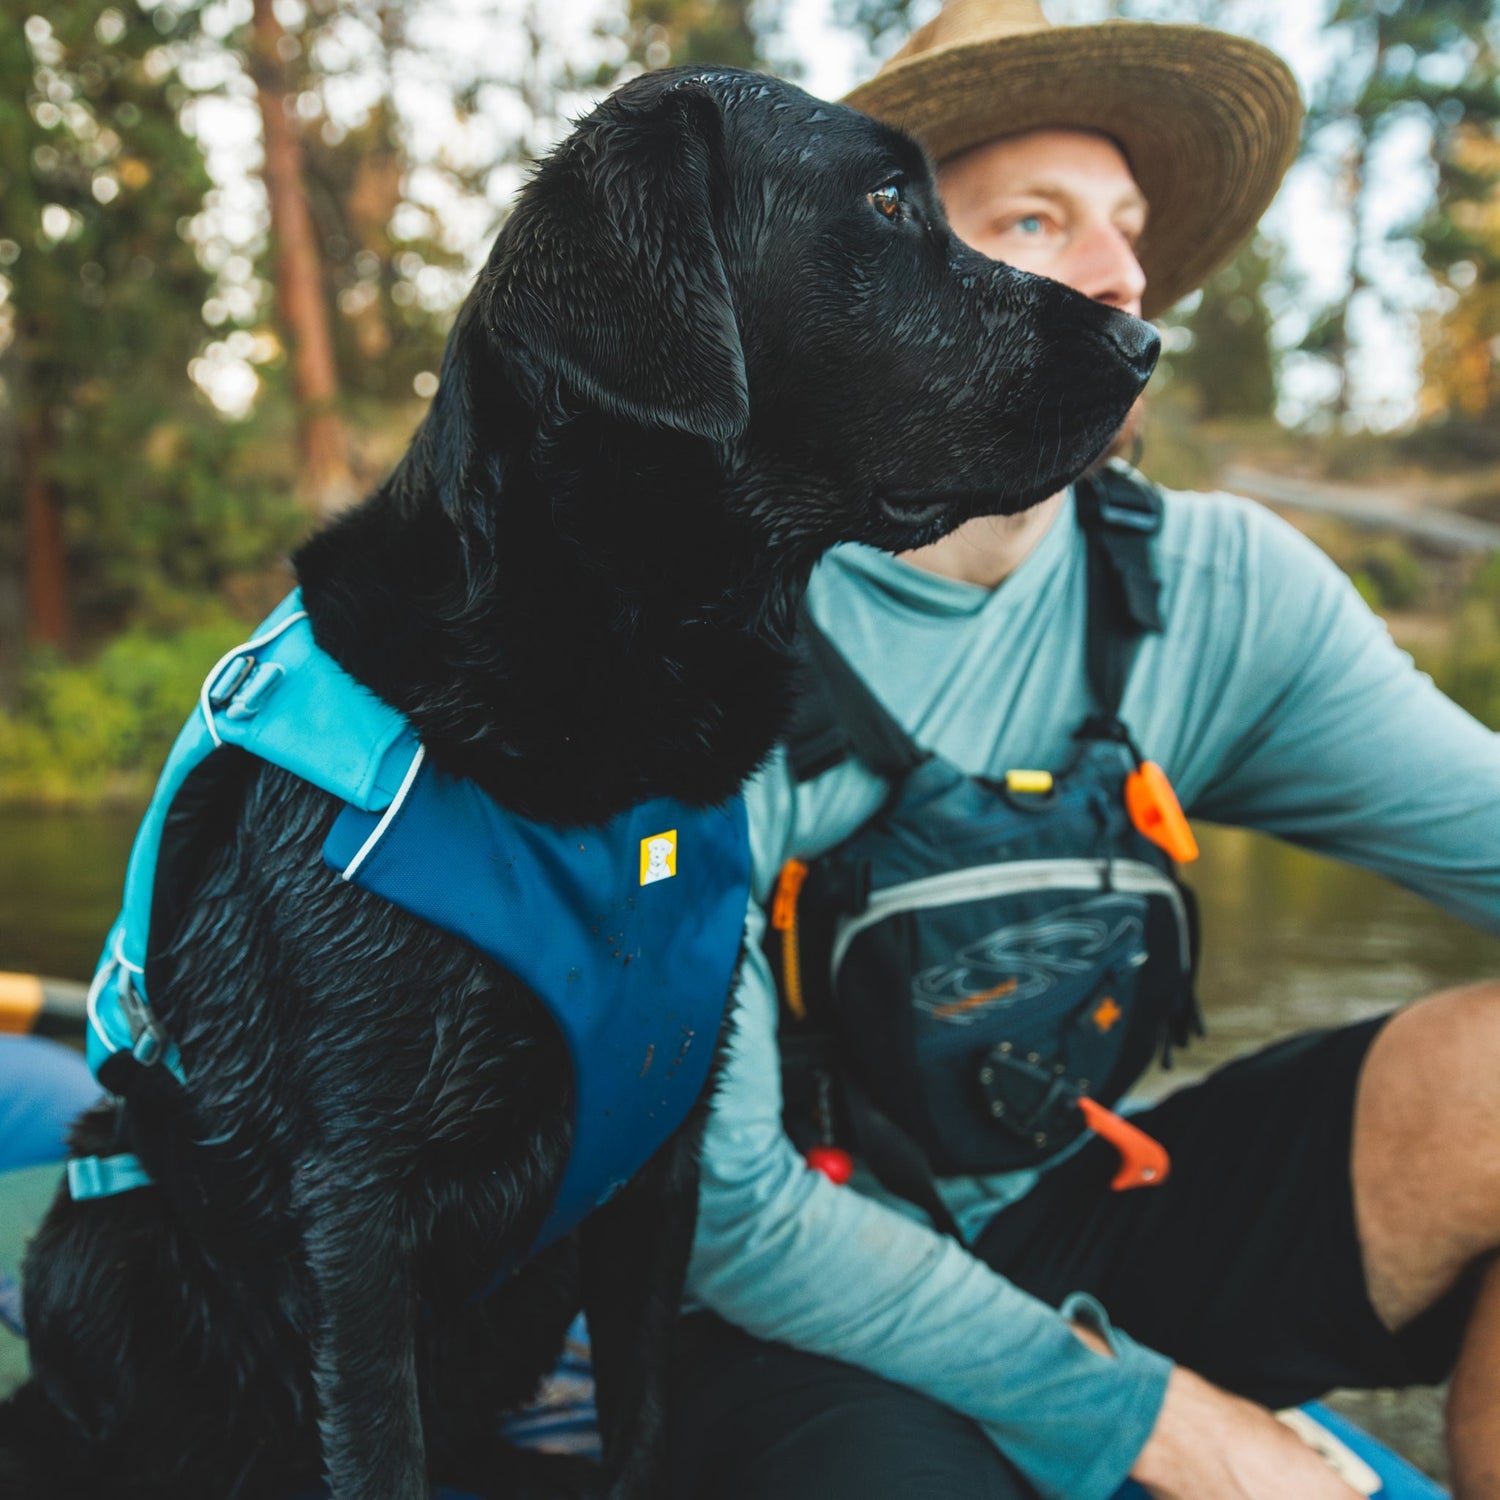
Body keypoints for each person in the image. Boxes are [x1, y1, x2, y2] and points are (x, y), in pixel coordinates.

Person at [669, 4, 1500, 1499]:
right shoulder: (690, 636)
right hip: (770, 1310)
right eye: (1039, 221)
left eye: (1125, 229)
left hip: (1083, 1220)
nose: (1126, 276)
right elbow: (727, 1209)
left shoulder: (1227, 591)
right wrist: (1173, 1426)